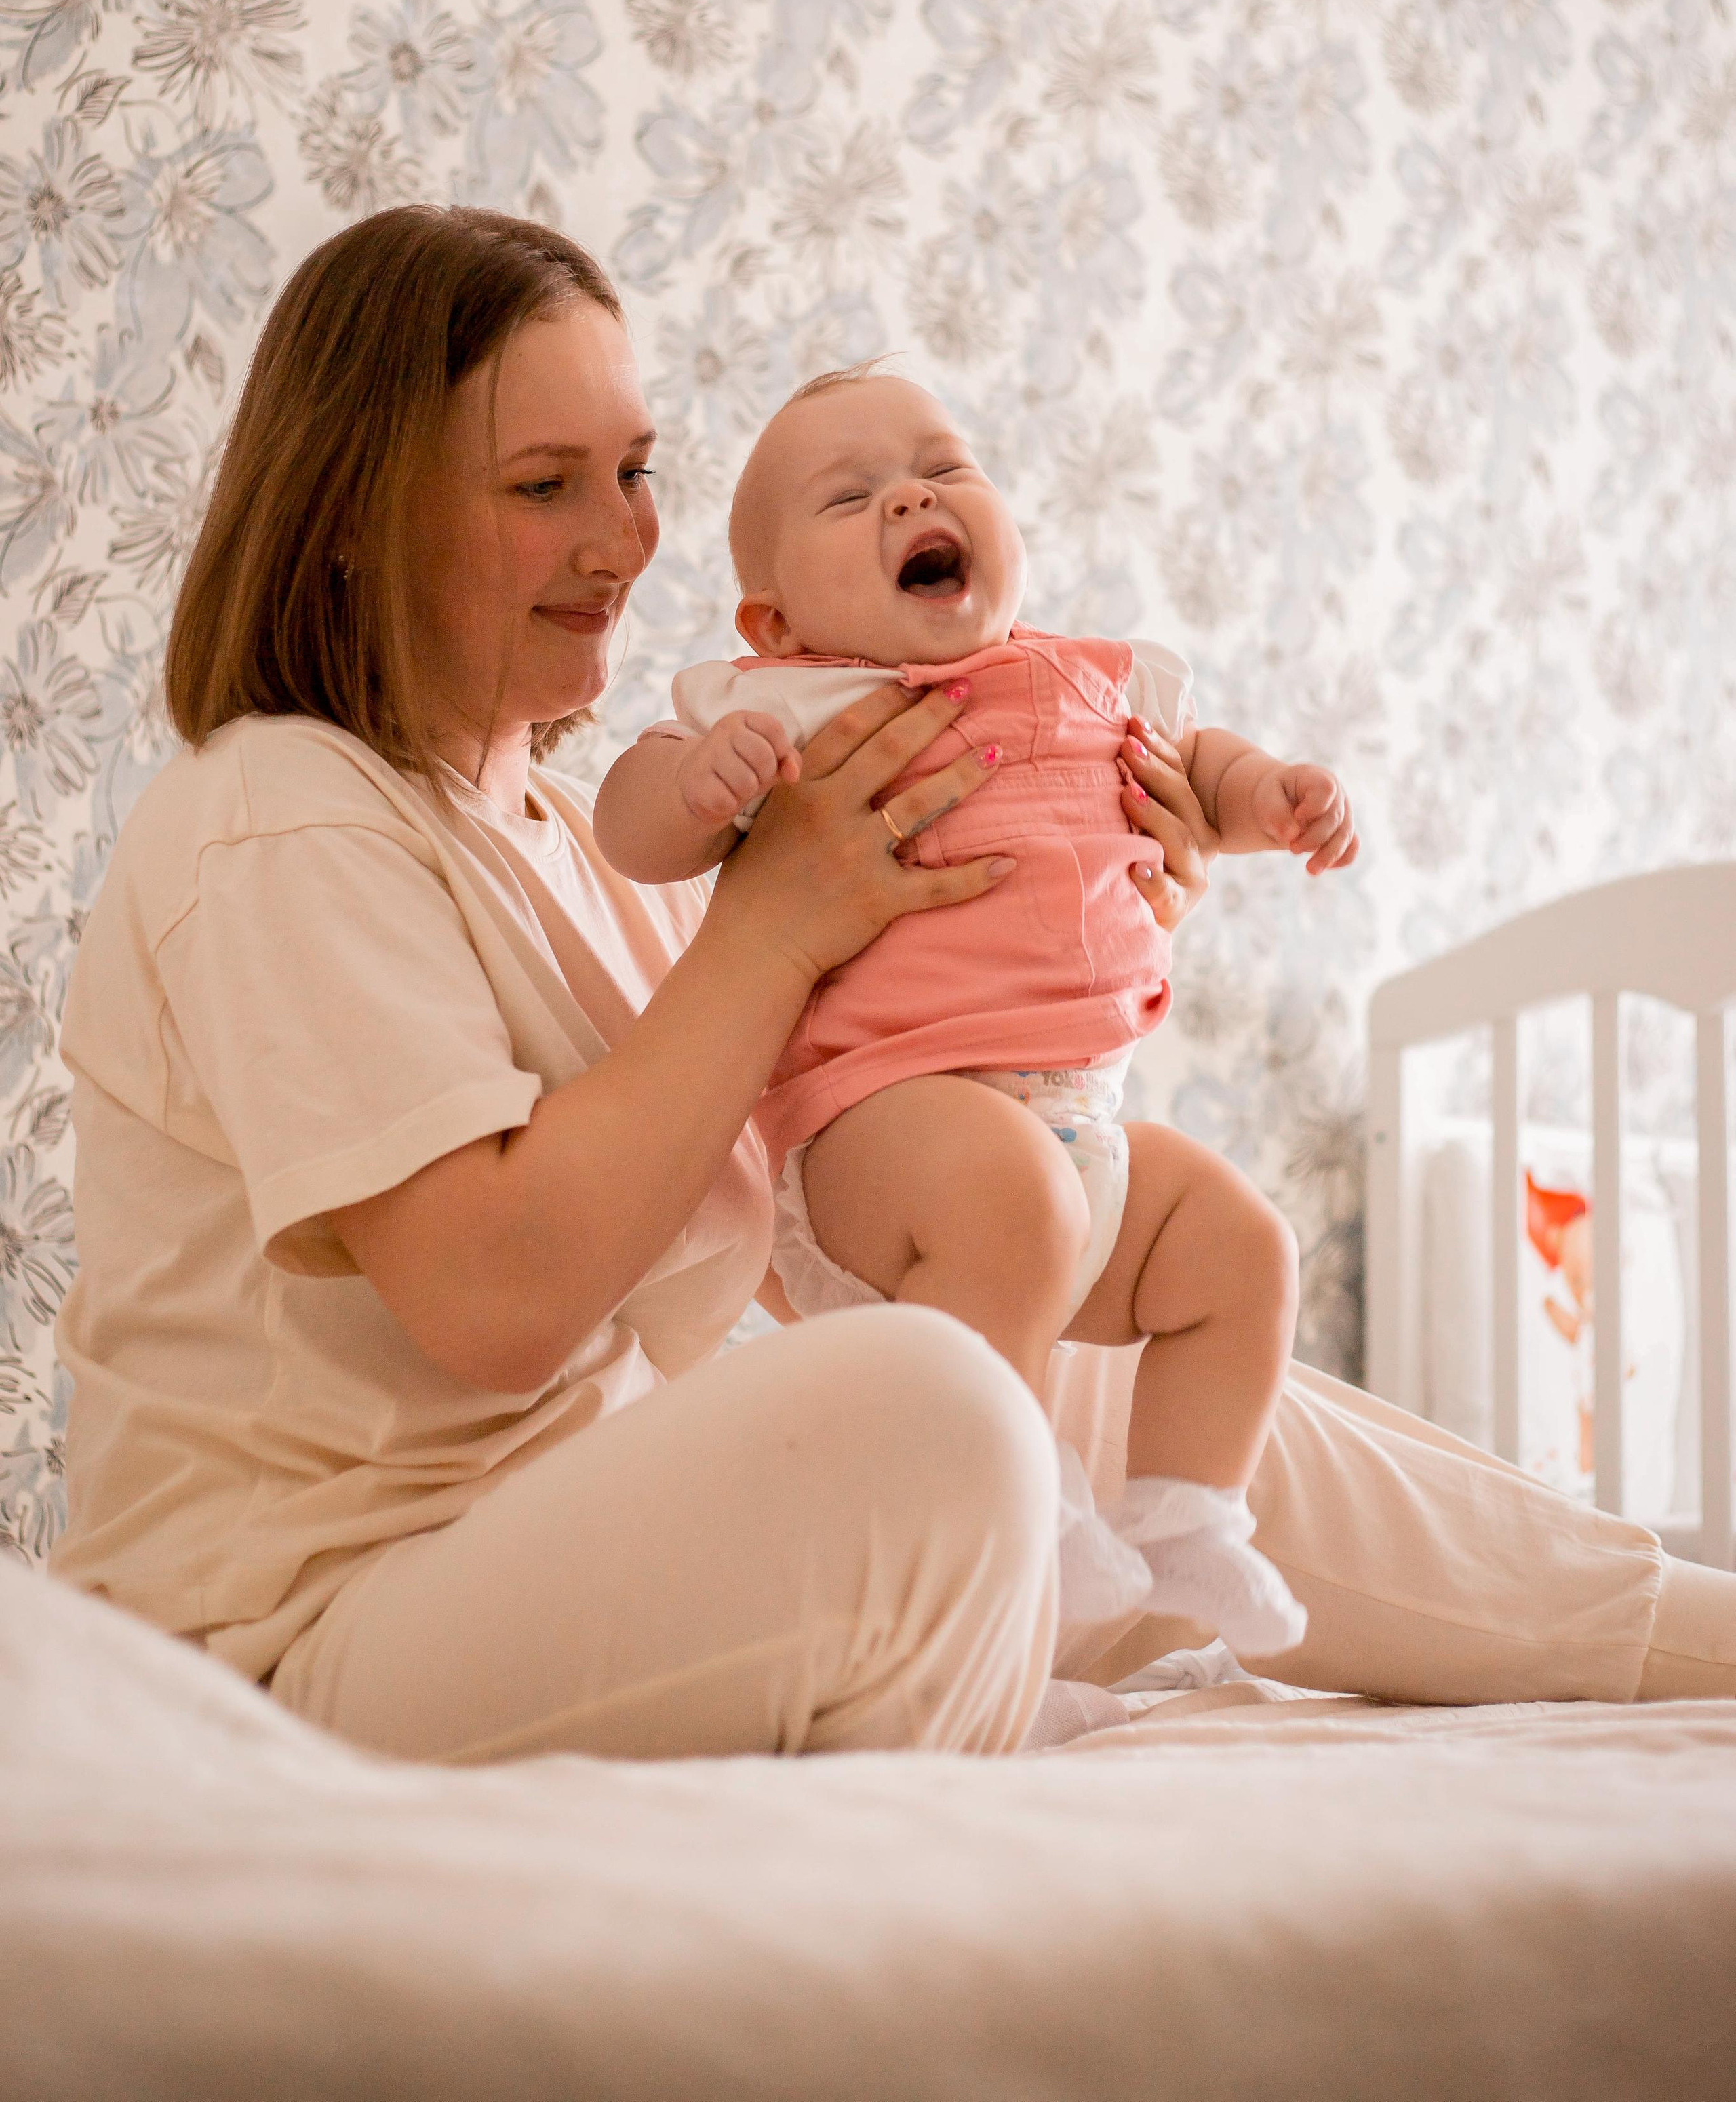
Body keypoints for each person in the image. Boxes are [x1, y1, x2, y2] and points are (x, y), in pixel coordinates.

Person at [47, 206, 1736, 1770]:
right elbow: (498, 1303)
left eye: (633, 470)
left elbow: (832, 1232)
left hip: (575, 1536)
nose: (621, 539)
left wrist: (1058, 915)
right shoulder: (280, 811)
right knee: (938, 1412)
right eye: (543, 484)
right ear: (356, 520)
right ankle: (991, 1684)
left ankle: (1689, 1634)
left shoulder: (572, 842)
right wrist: (773, 932)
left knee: (1163, 1390)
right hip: (306, 1635)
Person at [593, 365, 1356, 1652]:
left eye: (943, 470)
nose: (910, 499)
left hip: (1081, 1126)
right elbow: (633, 822)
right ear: (775, 622)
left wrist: (1270, 794)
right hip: (883, 1134)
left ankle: (1186, 1523)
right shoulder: (792, 700)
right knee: (1016, 1204)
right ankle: (1016, 1508)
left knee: (1243, 1246)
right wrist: (696, 784)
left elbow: (1197, 769)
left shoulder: (1092, 677)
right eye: (850, 498)